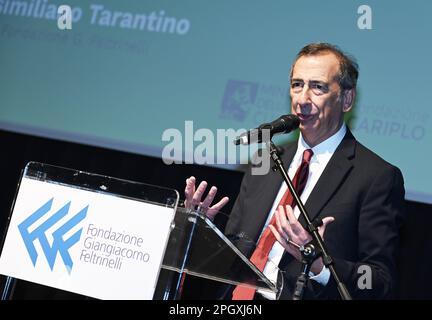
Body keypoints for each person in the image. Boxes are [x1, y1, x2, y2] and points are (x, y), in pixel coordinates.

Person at [184, 43, 406, 300]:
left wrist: (317, 263)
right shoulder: (264, 160)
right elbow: (236, 250)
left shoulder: (376, 177)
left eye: (318, 87)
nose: (302, 99)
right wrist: (201, 230)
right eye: (297, 85)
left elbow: (379, 280)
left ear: (346, 99)